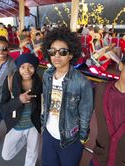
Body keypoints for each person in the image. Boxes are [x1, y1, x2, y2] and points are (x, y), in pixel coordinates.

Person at [41, 27, 94, 166]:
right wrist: (43, 126)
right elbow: (45, 102)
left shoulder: (82, 82)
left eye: (63, 52)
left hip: (71, 139)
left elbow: (85, 113)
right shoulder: (47, 75)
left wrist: (82, 137)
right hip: (48, 135)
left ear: (71, 55)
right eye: (52, 51)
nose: (56, 56)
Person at [0, 53, 42, 166]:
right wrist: (18, 100)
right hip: (16, 125)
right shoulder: (10, 81)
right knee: (6, 155)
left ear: (35, 67)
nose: (27, 70)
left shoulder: (39, 82)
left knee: (32, 154)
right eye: (23, 67)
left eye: (31, 66)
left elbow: (41, 105)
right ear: (18, 68)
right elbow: (3, 107)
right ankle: (24, 140)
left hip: (33, 125)